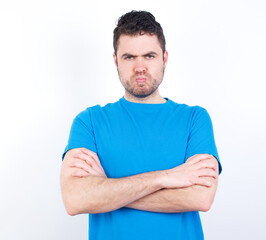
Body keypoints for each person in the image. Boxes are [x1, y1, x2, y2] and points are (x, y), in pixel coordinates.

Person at [61, 10, 222, 240]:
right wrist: (165, 178)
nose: (140, 67)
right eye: (129, 57)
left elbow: (201, 198)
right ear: (115, 60)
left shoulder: (194, 119)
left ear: (164, 58)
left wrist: (106, 189)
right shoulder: (90, 122)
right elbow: (75, 199)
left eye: (149, 55)